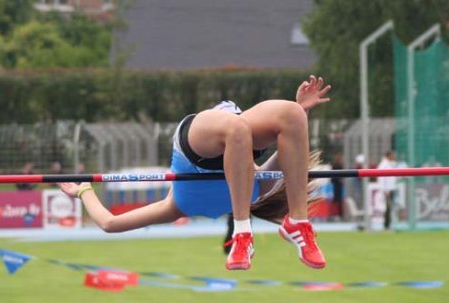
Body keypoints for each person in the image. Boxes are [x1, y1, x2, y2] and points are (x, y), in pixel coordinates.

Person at [61, 75, 332, 271]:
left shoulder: (177, 206)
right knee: (273, 118)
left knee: (263, 122)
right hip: (225, 135)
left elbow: (110, 223)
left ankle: (276, 227)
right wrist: (301, 116)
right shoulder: (257, 188)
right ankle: (265, 228)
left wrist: (84, 190)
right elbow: (288, 157)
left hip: (206, 146)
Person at [377, 150, 402, 231]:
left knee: (390, 208)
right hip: (387, 190)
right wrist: (385, 190)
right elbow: (381, 179)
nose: (394, 157)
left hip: (390, 189)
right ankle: (386, 225)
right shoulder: (383, 165)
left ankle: (388, 225)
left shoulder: (390, 164)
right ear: (388, 156)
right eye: (393, 155)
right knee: (388, 208)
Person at [329, 152, 345, 220]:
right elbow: (332, 177)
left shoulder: (340, 166)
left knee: (339, 200)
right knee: (336, 200)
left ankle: (339, 215)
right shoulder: (335, 166)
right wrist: (339, 180)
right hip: (336, 185)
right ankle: (335, 214)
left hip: (339, 185)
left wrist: (341, 180)